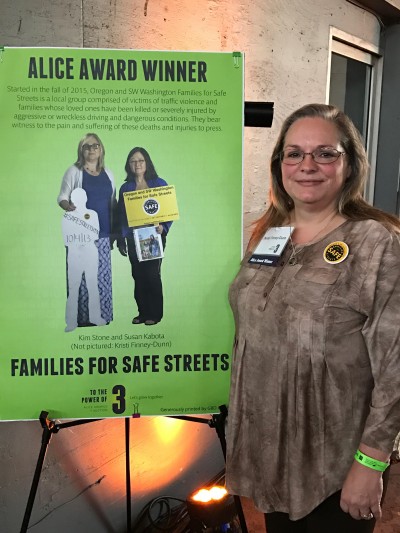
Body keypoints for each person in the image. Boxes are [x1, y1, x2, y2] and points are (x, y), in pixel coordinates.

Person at [225, 103, 400, 533]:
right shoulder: (269, 233)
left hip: (334, 464)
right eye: (294, 153)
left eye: (325, 153)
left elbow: (396, 365)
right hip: (272, 454)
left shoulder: (374, 243)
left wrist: (370, 463)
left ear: (349, 163)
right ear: (279, 164)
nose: (307, 165)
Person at [57, 133, 116, 327]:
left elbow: (112, 202)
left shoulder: (108, 172)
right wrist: (69, 209)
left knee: (100, 279)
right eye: (87, 146)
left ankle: (101, 316)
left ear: (101, 149)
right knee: (79, 281)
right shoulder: (74, 171)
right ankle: (80, 319)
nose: (92, 149)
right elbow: (62, 197)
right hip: (80, 235)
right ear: (81, 150)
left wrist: (115, 232)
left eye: (95, 146)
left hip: (104, 234)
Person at [117, 147, 172, 326]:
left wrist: (163, 227)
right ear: (128, 165)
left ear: (147, 163)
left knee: (152, 275)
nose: (137, 164)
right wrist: (121, 239)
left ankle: (155, 314)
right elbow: (120, 215)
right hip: (133, 238)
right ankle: (142, 313)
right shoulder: (126, 188)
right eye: (133, 161)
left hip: (153, 237)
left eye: (140, 160)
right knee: (138, 276)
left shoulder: (159, 183)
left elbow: (168, 211)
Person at [62, 188, 106, 332]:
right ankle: (71, 322)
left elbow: (95, 233)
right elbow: (66, 238)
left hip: (90, 252)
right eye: (76, 198)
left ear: (86, 199)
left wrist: (83, 238)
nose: (80, 200)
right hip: (74, 253)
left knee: (92, 285)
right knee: (73, 288)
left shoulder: (92, 214)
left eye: (82, 197)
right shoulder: (67, 217)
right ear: (72, 200)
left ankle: (95, 317)